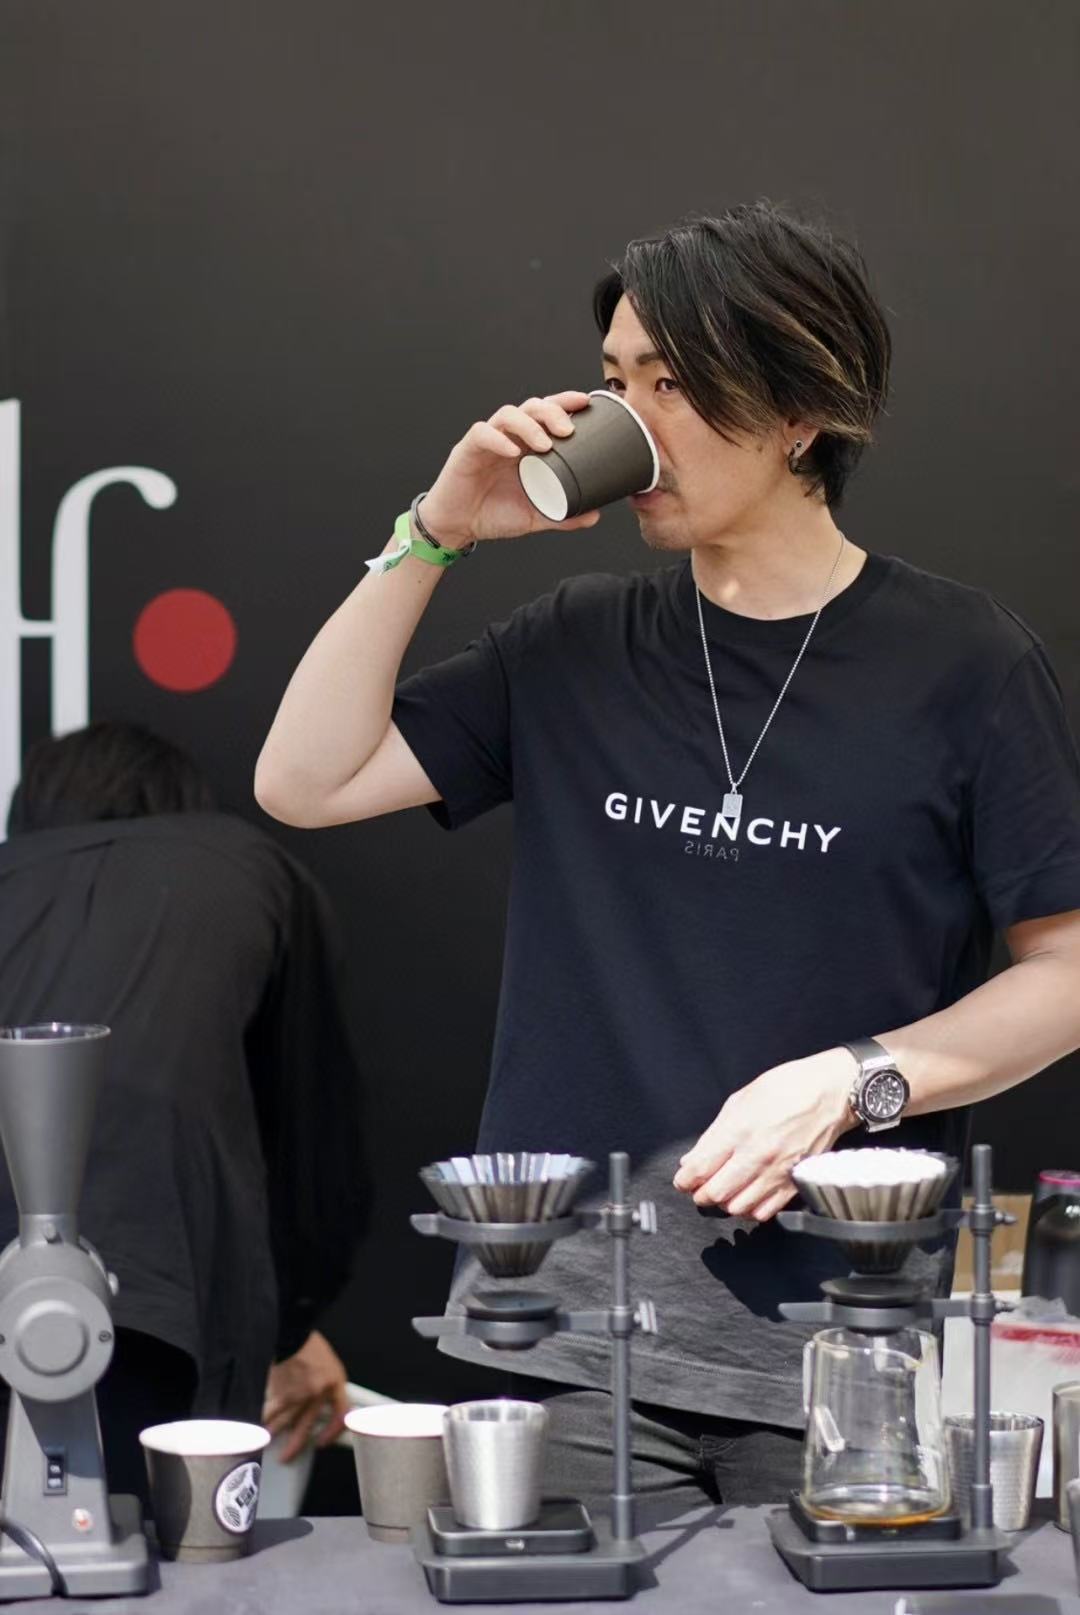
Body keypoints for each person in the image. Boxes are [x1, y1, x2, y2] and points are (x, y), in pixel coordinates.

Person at [255, 202, 1080, 1511]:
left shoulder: (965, 665)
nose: (626, 423)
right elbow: (305, 781)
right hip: (569, 1335)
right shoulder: (574, 643)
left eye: (674, 384)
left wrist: (857, 1077)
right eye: (614, 380)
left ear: (803, 411)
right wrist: (436, 529)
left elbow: (1066, 972)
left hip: (843, 1345)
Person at [0, 722, 366, 1503]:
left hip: (108, 1275)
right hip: (165, 1291)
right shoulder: (245, 869)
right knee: (162, 1543)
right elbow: (310, 1146)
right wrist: (289, 1327)